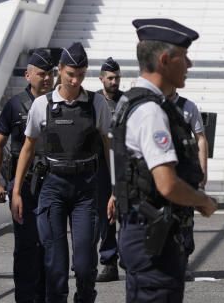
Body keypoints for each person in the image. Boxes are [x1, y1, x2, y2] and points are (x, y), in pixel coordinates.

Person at [109, 18, 217, 302]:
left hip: (142, 231)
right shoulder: (151, 112)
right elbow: (167, 184)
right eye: (184, 57)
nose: (189, 65)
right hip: (153, 236)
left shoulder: (133, 100)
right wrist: (203, 201)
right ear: (165, 60)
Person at [11, 42, 112, 303]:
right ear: (60, 70)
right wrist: (16, 192)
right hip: (53, 187)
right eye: (70, 74)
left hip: (86, 189)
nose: (75, 80)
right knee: (55, 266)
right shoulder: (41, 105)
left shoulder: (96, 103)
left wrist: (116, 191)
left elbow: (110, 148)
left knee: (85, 264)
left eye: (81, 74)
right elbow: (27, 149)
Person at [0, 48, 54, 302]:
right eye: (42, 74)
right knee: (27, 246)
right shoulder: (14, 105)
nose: (47, 78)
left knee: (50, 245)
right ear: (28, 75)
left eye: (50, 73)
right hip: (24, 186)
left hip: (54, 184)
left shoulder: (60, 102)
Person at [166, 79, 210, 280]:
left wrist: (203, 170)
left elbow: (201, 138)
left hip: (184, 174)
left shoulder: (188, 106)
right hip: (161, 173)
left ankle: (183, 262)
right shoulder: (152, 105)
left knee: (185, 219)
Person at [96, 56, 122, 282]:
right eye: (111, 78)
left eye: (117, 78)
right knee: (106, 218)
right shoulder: (93, 101)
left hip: (124, 166)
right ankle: (109, 262)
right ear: (101, 78)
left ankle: (130, 258)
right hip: (102, 167)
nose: (115, 82)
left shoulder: (127, 101)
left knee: (130, 214)